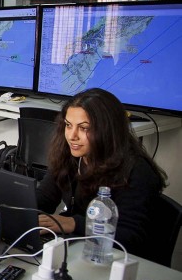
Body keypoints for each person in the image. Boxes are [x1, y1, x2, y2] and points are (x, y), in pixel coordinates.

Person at [36, 88, 167, 257]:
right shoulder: (70, 154)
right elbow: (44, 198)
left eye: (84, 128)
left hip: (118, 260)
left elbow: (130, 238)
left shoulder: (137, 171)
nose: (72, 136)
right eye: (68, 125)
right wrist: (13, 207)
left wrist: (74, 223)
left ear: (106, 130)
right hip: (80, 246)